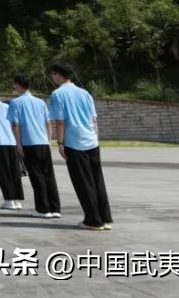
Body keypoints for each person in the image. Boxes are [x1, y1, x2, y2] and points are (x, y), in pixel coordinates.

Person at [49, 62, 112, 231]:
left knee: (83, 182)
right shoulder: (85, 93)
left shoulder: (57, 94)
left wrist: (60, 143)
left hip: (74, 142)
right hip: (91, 140)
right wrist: (95, 138)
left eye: (53, 74)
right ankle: (105, 218)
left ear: (59, 75)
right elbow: (94, 120)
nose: (52, 77)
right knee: (97, 180)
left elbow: (60, 122)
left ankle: (92, 220)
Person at [9, 73, 61, 219]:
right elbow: (48, 123)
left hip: (29, 143)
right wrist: (49, 141)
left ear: (19, 85)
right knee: (49, 175)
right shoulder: (40, 102)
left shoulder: (16, 103)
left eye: (14, 84)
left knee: (36, 176)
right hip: (44, 142)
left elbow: (15, 125)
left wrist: (18, 143)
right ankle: (55, 208)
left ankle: (43, 209)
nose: (13, 87)